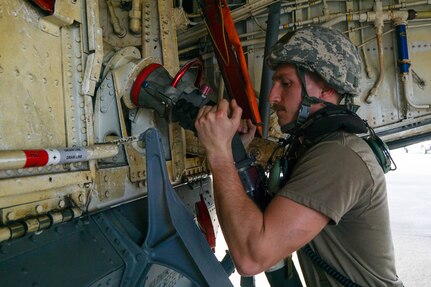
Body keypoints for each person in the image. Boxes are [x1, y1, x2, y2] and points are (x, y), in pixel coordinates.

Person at [194, 26, 403, 287]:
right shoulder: (316, 146)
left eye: (286, 83)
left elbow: (251, 258)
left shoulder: (340, 156)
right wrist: (237, 151)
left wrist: (219, 153)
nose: (272, 96)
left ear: (326, 88)